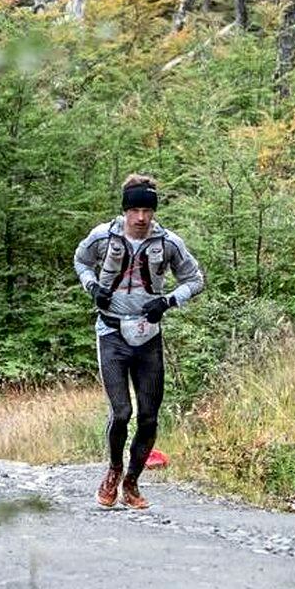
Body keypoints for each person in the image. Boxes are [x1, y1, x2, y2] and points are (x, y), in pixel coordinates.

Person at [72, 172, 205, 510]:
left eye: (148, 210)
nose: (142, 218)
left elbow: (195, 279)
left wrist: (168, 301)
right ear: (125, 210)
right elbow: (81, 261)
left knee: (148, 416)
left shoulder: (169, 243)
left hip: (148, 336)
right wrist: (93, 287)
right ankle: (113, 471)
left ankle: (132, 481)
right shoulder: (103, 236)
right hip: (111, 332)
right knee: (121, 412)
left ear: (154, 211)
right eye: (135, 210)